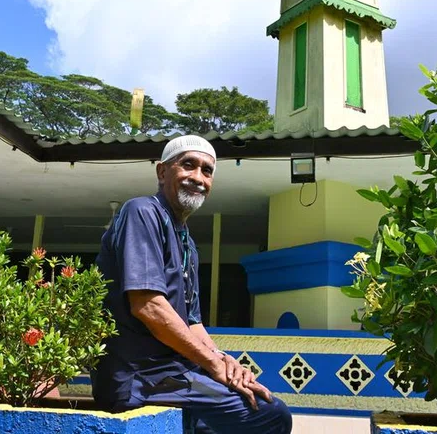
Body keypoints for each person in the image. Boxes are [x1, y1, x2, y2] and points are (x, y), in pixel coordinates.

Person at [92, 135, 292, 433]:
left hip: (175, 374)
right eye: (188, 165)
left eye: (207, 171)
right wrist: (212, 365)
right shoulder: (142, 212)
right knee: (269, 415)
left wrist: (223, 361)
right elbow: (148, 306)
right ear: (162, 171)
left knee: (248, 397)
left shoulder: (188, 242)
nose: (198, 178)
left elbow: (193, 322)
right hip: (140, 377)